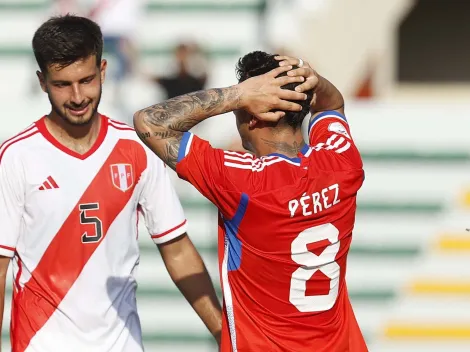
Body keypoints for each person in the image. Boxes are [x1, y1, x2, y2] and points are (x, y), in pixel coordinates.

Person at [0, 15, 222, 352]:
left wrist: (225, 334)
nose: (77, 96)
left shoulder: (138, 149)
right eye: (62, 84)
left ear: (103, 70)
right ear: (42, 81)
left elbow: (177, 250)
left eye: (86, 80)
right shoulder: (17, 157)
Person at [134, 51, 368, 351]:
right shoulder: (341, 159)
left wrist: (238, 94)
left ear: (252, 113)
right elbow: (333, 104)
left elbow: (149, 122)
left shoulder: (244, 181)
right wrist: (314, 81)